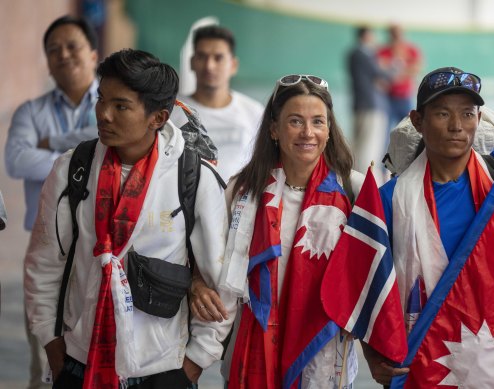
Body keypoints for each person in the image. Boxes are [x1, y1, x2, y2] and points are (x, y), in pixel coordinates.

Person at [23, 49, 234, 388]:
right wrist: (52, 343)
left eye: (121, 106)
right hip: (80, 362)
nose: (103, 114)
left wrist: (194, 364)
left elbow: (220, 281)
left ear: (158, 117)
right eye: (101, 99)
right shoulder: (73, 169)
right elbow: (45, 262)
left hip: (163, 368)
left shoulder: (192, 176)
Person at [193, 74, 365, 387]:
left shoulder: (354, 190)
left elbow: (369, 275)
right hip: (251, 353)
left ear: (329, 129)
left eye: (318, 122)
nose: (308, 133)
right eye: (295, 121)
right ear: (274, 129)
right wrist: (195, 283)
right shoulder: (243, 191)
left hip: (324, 361)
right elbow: (213, 267)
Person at [365, 67, 494, 386]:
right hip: (424, 362)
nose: (457, 126)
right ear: (418, 121)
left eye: (467, 113)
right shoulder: (389, 201)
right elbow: (361, 284)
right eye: (443, 113)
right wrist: (371, 355)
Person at [4, 15, 100, 389]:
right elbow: (15, 161)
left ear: (93, 54)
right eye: (53, 50)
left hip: (99, 249)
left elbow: (110, 150)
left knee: (97, 358)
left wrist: (52, 146)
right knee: (44, 367)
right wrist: (82, 155)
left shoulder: (112, 104)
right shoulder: (30, 112)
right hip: (46, 251)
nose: (63, 55)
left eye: (72, 46)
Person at [170, 25, 263, 183]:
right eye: (202, 56)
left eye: (218, 58)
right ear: (192, 62)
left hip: (236, 205)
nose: (209, 66)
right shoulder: (171, 111)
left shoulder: (254, 112)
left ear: (233, 65)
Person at [348, 26, 399, 182]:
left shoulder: (354, 54)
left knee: (361, 144)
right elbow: (381, 74)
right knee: (369, 146)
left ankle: (360, 178)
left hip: (362, 105)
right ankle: (366, 181)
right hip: (371, 106)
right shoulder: (364, 54)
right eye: (372, 36)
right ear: (366, 36)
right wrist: (395, 66)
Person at [377, 24, 422, 129]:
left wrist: (397, 76)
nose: (396, 37)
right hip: (387, 98)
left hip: (405, 97)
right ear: (389, 35)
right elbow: (379, 71)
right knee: (385, 130)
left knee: (408, 129)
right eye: (393, 34)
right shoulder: (383, 51)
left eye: (398, 34)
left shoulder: (411, 50)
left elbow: (416, 68)